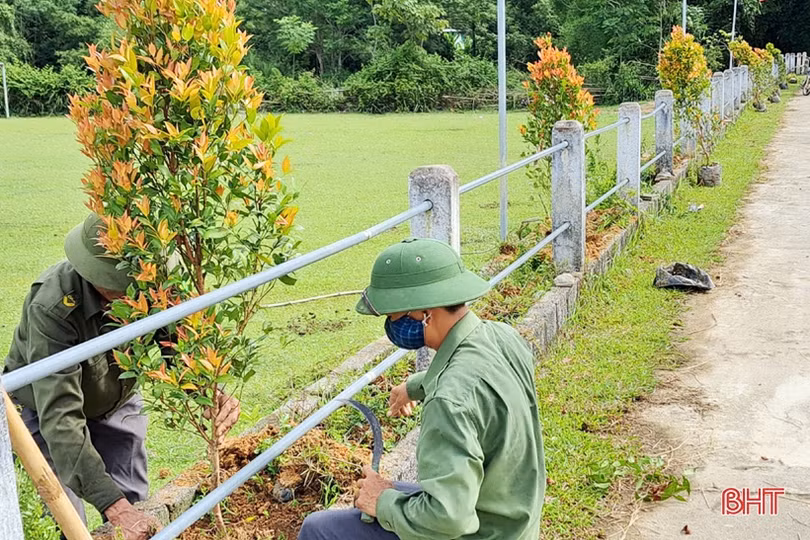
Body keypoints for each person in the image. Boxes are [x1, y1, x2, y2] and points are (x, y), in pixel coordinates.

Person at [2, 214, 240, 540]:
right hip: (44, 414)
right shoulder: (53, 306)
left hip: (116, 400)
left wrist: (207, 388)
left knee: (135, 506)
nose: (136, 296)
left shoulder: (152, 285)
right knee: (68, 522)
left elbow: (176, 341)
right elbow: (60, 414)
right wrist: (112, 505)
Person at [298, 237, 546, 540]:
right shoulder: (502, 337)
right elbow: (470, 380)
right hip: (512, 517)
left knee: (319, 529)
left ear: (424, 312)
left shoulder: (448, 401)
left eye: (393, 316)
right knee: (384, 497)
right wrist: (413, 386)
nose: (391, 326)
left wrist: (383, 502)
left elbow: (449, 518)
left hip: (478, 530)